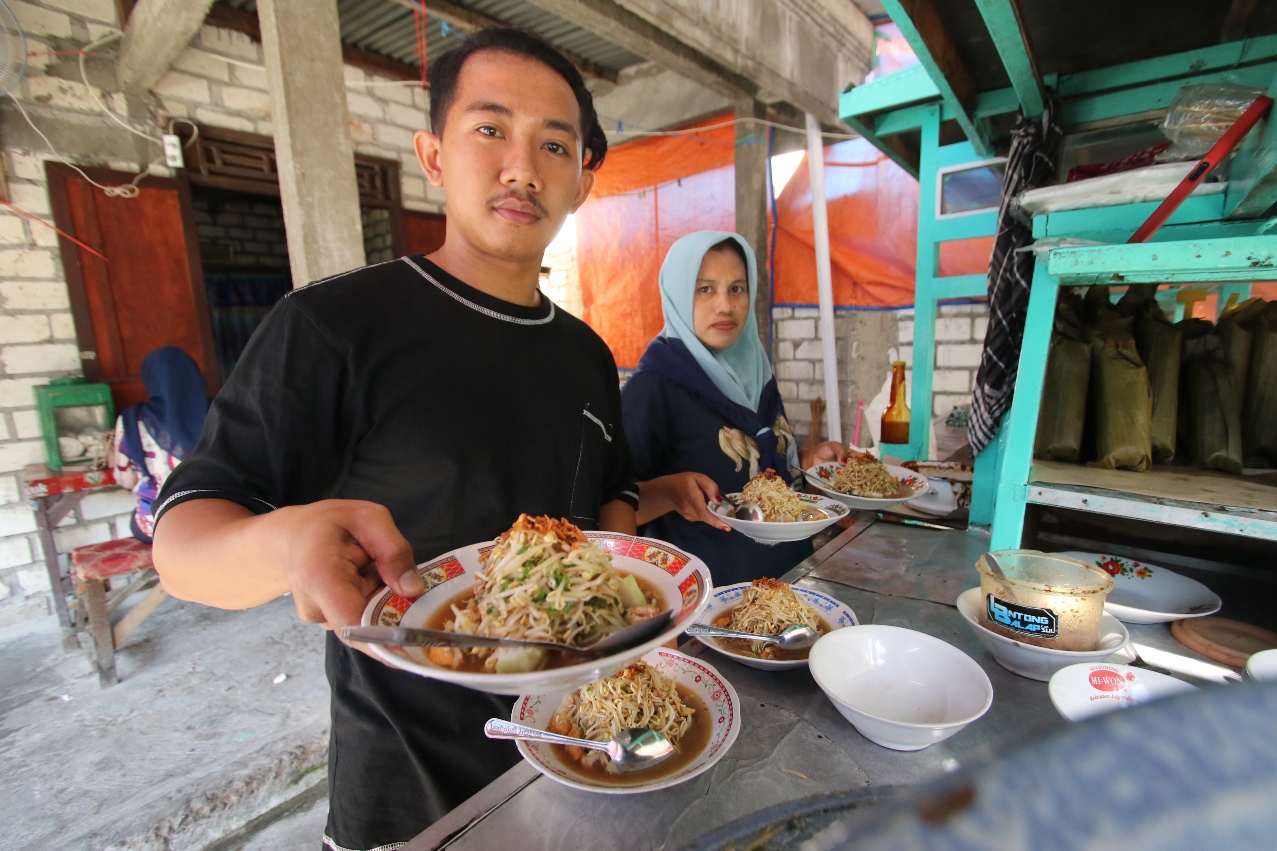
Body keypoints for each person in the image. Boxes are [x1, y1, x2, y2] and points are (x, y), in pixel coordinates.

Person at [151, 29, 636, 851]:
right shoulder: (334, 325)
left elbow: (608, 495)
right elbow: (181, 542)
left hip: (574, 752)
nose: (522, 167)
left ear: (582, 180)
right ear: (433, 155)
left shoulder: (586, 352)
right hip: (408, 790)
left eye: (554, 144)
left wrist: (626, 576)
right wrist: (287, 541)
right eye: (489, 130)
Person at [623, 231, 847, 585]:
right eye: (705, 289)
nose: (725, 305)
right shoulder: (654, 387)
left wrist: (807, 459)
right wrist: (669, 492)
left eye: (737, 289)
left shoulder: (756, 373)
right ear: (678, 293)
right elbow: (612, 506)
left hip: (794, 582)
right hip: (712, 604)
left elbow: (762, 469)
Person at [113, 346, 209, 543]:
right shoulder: (220, 411)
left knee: (138, 518)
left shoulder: (131, 421)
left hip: (160, 526)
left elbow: (126, 480)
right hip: (218, 519)